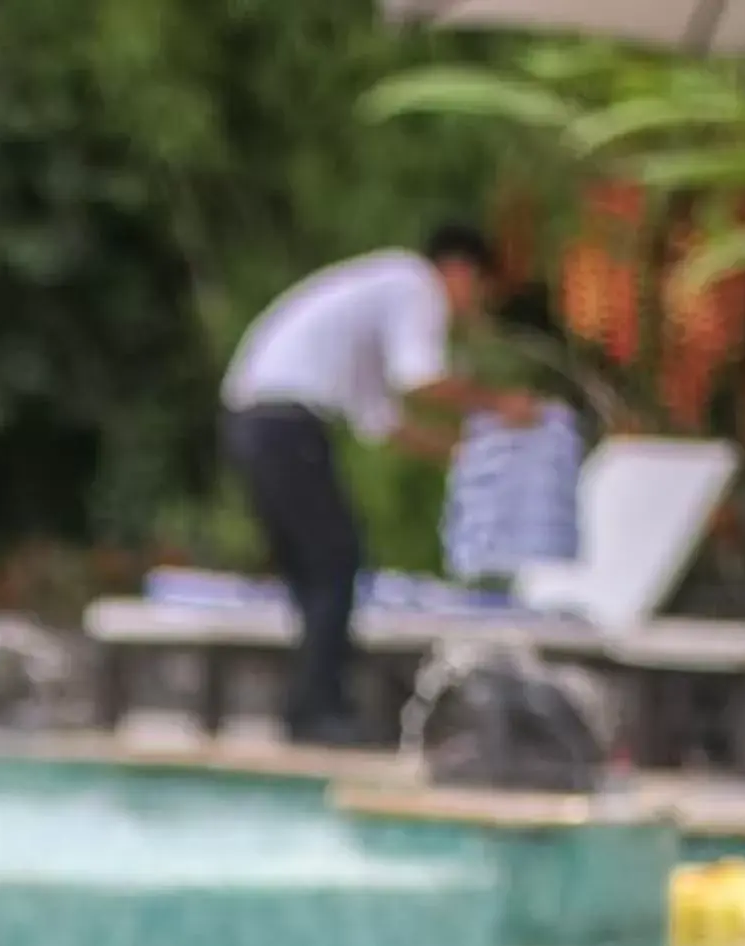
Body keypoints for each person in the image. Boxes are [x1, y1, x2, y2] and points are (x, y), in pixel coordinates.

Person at [221, 223, 539, 746]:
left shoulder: (374, 300)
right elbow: (421, 379)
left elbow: (381, 421)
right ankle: (319, 714)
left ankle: (310, 707)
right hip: (284, 421)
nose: (470, 309)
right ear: (460, 271)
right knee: (336, 561)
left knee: (314, 573)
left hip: (251, 421)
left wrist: (461, 452)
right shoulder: (414, 284)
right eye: (478, 292)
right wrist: (504, 406)